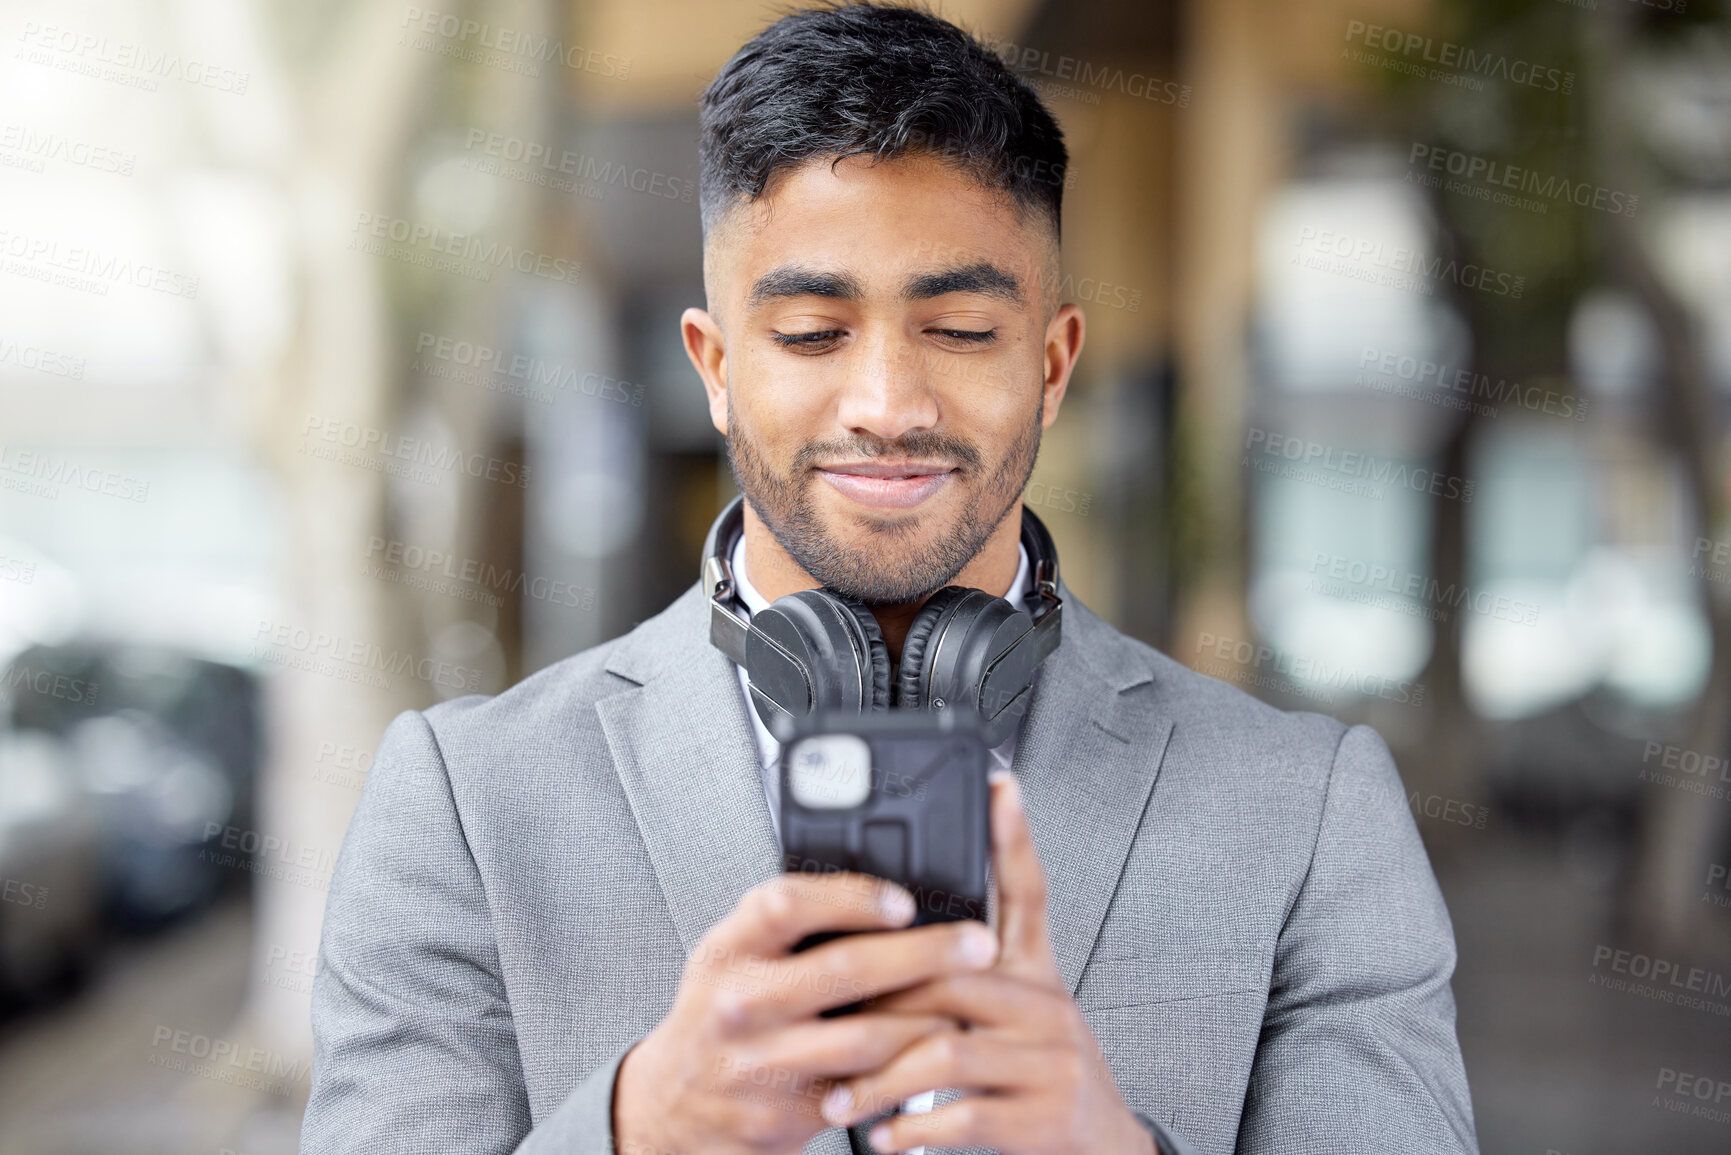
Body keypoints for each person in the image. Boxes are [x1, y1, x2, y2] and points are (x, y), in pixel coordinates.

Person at [300, 5, 1479, 1154]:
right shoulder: (460, 806)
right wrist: (638, 1131)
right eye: (812, 333)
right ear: (714, 368)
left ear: (1055, 364)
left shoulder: (1313, 816)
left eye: (961, 330)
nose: (887, 408)